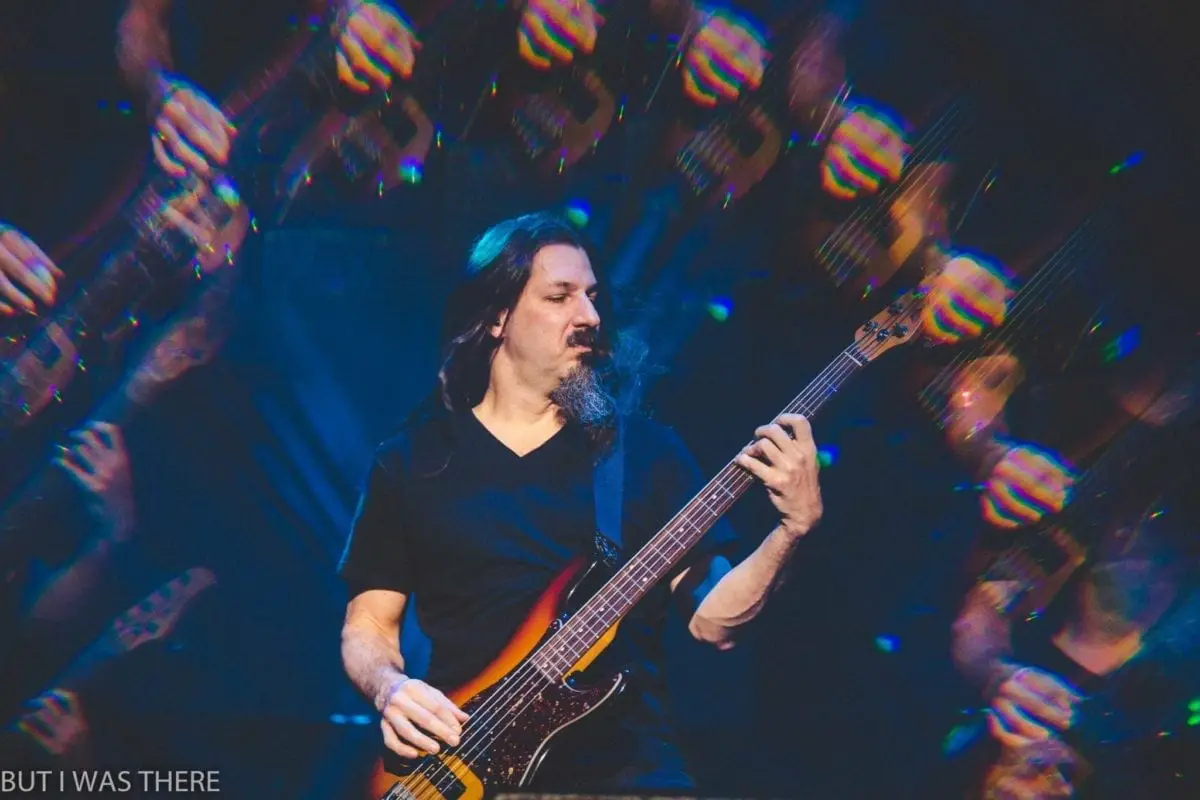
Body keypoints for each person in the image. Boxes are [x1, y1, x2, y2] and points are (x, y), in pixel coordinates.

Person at [337, 211, 827, 792]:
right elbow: (368, 624)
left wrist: (791, 531)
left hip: (624, 777)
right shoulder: (412, 462)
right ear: (496, 317)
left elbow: (715, 622)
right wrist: (391, 688)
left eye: (592, 296)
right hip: (456, 774)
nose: (590, 317)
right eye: (560, 296)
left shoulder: (644, 455)